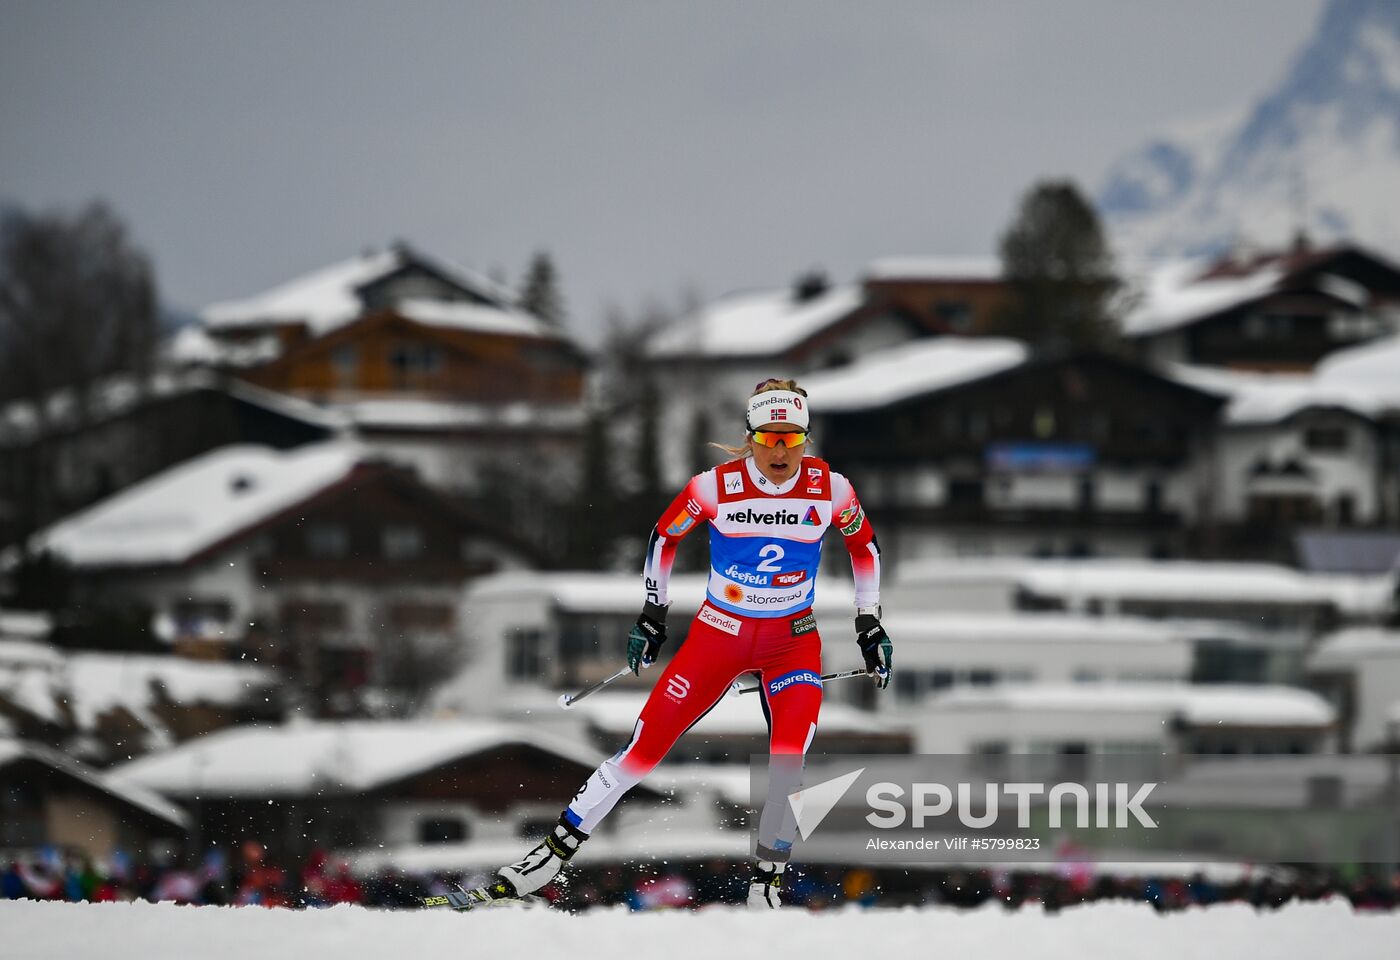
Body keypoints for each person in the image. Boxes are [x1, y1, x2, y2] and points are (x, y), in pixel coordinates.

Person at [483, 378, 893, 910]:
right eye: (769, 438)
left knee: (790, 759)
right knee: (642, 752)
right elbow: (663, 537)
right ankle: (551, 853)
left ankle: (766, 881)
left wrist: (869, 623)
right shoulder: (713, 487)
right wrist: (652, 614)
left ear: (806, 439)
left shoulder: (831, 488)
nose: (780, 451)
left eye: (792, 439)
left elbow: (865, 550)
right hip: (718, 637)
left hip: (791, 643)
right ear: (749, 438)